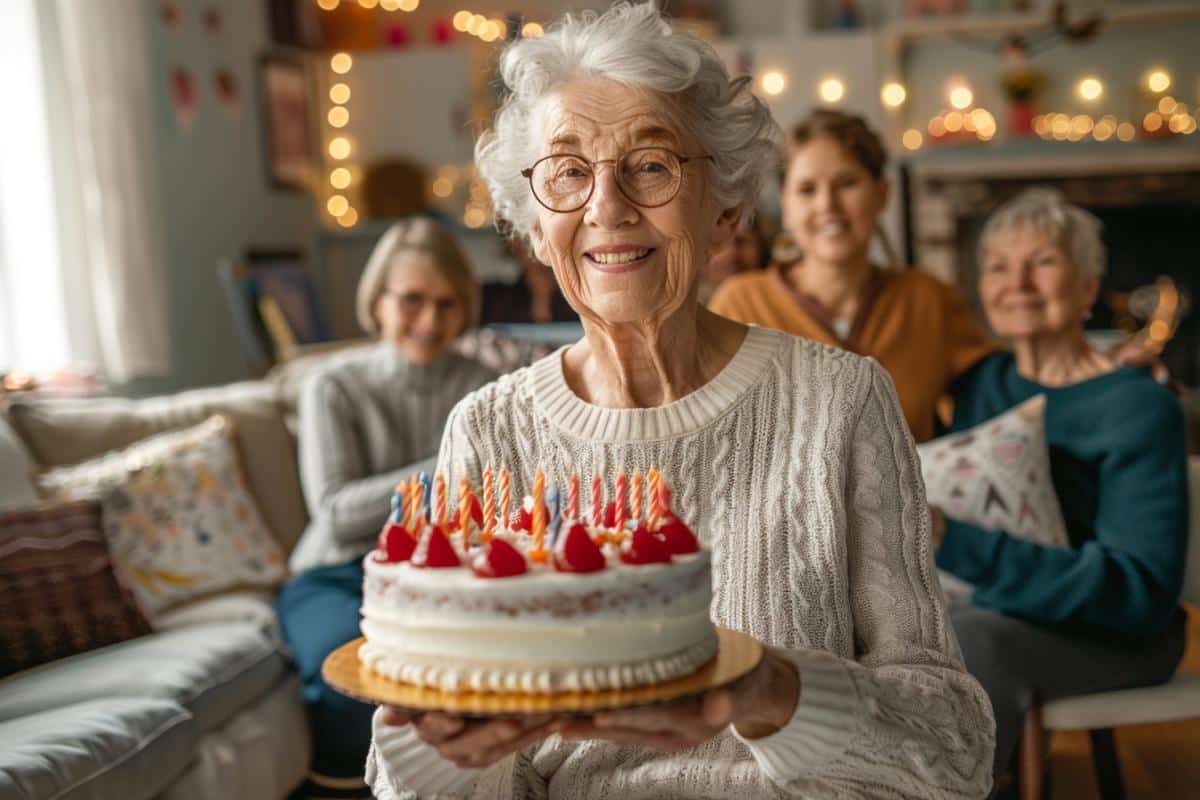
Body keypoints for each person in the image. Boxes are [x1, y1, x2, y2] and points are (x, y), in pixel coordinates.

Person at [367, 4, 994, 798]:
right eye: (567, 172)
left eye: (652, 165)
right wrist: (434, 743)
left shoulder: (840, 402)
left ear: (726, 207)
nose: (606, 206)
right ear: (533, 225)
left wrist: (771, 693)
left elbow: (957, 753)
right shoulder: (492, 432)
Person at [932, 188, 1190, 780]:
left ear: (1089, 288)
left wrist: (956, 543)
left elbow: (1138, 592)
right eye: (998, 267)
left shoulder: (1139, 406)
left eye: (1042, 262)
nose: (1017, 282)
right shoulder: (978, 385)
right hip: (999, 610)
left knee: (967, 644)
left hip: (1119, 633)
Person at [276, 217, 496, 796]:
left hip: (442, 574)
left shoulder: (487, 387)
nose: (429, 321)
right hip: (336, 573)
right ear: (377, 301)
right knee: (347, 677)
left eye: (448, 304)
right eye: (412, 300)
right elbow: (338, 512)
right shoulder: (332, 386)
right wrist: (450, 459)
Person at [709, 109, 998, 443]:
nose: (827, 204)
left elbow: (993, 401)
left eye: (847, 183)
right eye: (807, 189)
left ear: (882, 193)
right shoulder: (741, 304)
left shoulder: (928, 299)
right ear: (786, 206)